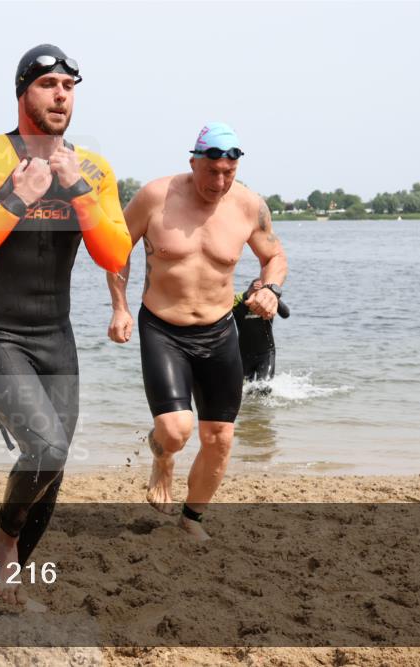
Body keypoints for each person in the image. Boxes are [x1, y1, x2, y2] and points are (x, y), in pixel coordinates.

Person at [0, 44, 131, 603]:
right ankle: (3, 544)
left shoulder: (93, 170)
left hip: (56, 335)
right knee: (45, 447)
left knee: (55, 464)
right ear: (23, 91)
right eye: (49, 84)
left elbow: (115, 253)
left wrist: (77, 190)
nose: (61, 96)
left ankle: (8, 577)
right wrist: (18, 200)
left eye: (69, 86)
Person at [106, 122, 288, 539]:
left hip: (220, 330)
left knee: (219, 437)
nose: (220, 182)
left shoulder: (248, 206)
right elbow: (117, 251)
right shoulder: (156, 196)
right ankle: (163, 456)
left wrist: (270, 289)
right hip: (163, 328)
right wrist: (119, 308)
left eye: (229, 173)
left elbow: (274, 256)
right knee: (175, 430)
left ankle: (192, 519)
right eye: (212, 172)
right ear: (193, 163)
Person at [232, 279, 280, 383]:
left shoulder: (268, 300)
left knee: (264, 389)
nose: (257, 301)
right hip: (244, 354)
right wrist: (248, 295)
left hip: (266, 353)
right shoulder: (237, 301)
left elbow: (286, 313)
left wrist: (275, 297)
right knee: (242, 390)